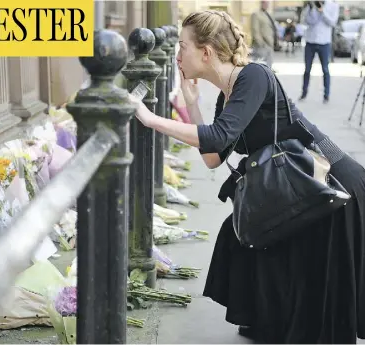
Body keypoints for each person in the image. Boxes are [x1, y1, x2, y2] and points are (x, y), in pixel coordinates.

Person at [129, 9, 365, 344]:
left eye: (182, 46)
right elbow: (213, 156)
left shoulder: (253, 76)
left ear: (206, 52)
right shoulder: (228, 91)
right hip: (296, 186)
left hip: (328, 184)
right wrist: (192, 105)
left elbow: (217, 136)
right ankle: (271, 322)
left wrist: (151, 119)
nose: (176, 54)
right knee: (243, 235)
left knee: (256, 241)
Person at [300, 0, 339, 103]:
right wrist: (312, 10)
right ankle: (304, 93)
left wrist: (322, 11)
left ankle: (326, 95)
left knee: (325, 70)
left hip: (324, 42)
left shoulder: (333, 5)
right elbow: (308, 21)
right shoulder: (311, 5)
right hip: (310, 41)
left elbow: (332, 22)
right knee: (307, 69)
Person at [250, 1, 277, 68]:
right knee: (261, 68)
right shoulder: (256, 14)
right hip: (261, 46)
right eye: (265, 2)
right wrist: (261, 44)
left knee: (269, 67)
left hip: (269, 45)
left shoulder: (268, 14)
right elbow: (255, 30)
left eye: (268, 3)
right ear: (261, 3)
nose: (266, 5)